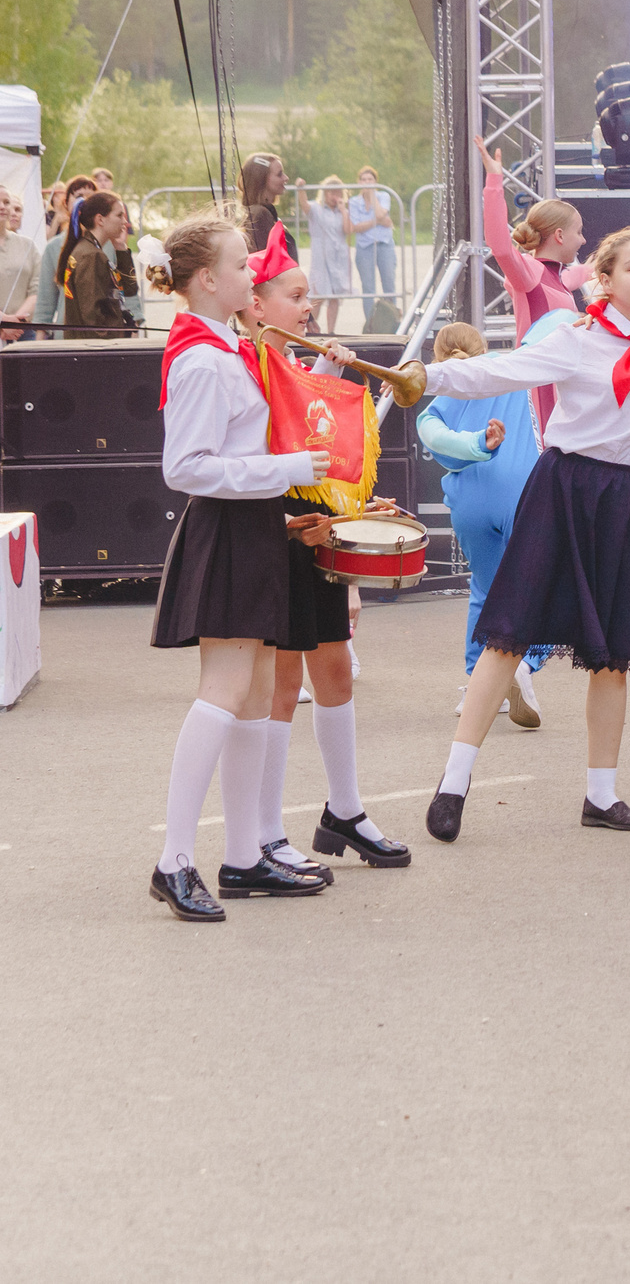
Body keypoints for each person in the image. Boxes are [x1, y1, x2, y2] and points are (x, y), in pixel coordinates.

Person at [416, 228, 630, 842]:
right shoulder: (573, 340)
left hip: (625, 500)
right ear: (604, 279)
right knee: (508, 635)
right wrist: (429, 377)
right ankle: (453, 784)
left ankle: (600, 794)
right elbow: (500, 370)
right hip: (565, 490)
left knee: (615, 653)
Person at [142, 212, 333, 921]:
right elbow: (185, 467)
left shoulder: (225, 345)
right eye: (241, 264)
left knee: (251, 696)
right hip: (226, 530)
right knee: (225, 691)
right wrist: (290, 466)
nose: (252, 273)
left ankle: (245, 854)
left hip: (251, 526)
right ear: (206, 279)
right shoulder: (201, 357)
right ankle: (175, 859)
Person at [233, 224, 410, 876]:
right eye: (296, 294)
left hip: (312, 523)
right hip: (275, 526)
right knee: (279, 682)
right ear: (258, 302)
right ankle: (267, 829)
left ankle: (345, 809)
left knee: (333, 667)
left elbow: (318, 443)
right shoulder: (246, 363)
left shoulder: (287, 363)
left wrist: (329, 372)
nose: (308, 306)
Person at [417, 320, 549, 727]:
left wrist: (475, 445)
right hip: (522, 489)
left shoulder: (447, 387)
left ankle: (477, 682)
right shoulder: (513, 367)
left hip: (469, 500)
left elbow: (432, 433)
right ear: (484, 346)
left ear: (439, 357)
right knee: (546, 589)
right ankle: (523, 665)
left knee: (484, 590)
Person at [478, 138, 591, 429]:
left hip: (557, 381)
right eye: (579, 232)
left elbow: (583, 273)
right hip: (537, 388)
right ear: (560, 236)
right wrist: (494, 182)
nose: (584, 239)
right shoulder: (529, 272)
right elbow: (501, 248)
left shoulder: (558, 277)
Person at [63, 191, 139, 336]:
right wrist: (122, 334)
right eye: (119, 215)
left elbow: (129, 289)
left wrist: (121, 250)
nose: (125, 222)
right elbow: (93, 321)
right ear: (100, 220)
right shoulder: (91, 255)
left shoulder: (90, 250)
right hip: (95, 350)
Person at [34, 173, 94, 334]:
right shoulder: (53, 247)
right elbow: (45, 304)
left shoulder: (110, 244)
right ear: (66, 203)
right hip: (66, 339)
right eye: (79, 196)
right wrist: (39, 348)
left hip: (106, 340)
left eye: (91, 197)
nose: (84, 202)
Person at [298, 176, 356, 335]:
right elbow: (304, 205)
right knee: (318, 294)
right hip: (321, 256)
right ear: (324, 193)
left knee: (335, 295)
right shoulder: (316, 208)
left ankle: (331, 331)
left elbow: (348, 230)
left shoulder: (343, 211)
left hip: (338, 256)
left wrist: (343, 210)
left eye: (337, 192)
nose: (334, 195)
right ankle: (311, 330)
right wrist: (301, 189)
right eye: (330, 192)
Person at [350, 167, 398, 318]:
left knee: (389, 284)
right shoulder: (353, 201)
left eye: (370, 180)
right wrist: (380, 221)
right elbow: (356, 227)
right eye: (364, 180)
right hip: (365, 248)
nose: (367, 183)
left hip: (384, 245)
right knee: (368, 288)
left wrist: (372, 197)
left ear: (375, 182)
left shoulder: (383, 195)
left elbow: (380, 212)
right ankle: (370, 323)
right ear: (359, 182)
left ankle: (391, 321)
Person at [0, 189, 41, 341]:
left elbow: (37, 288)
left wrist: (15, 323)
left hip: (22, 331)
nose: (2, 206)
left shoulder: (27, 245)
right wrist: (3, 320)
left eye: (6, 202)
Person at [239, 154, 295, 263]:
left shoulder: (263, 213)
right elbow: (268, 263)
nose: (286, 178)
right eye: (279, 174)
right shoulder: (260, 215)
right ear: (261, 179)